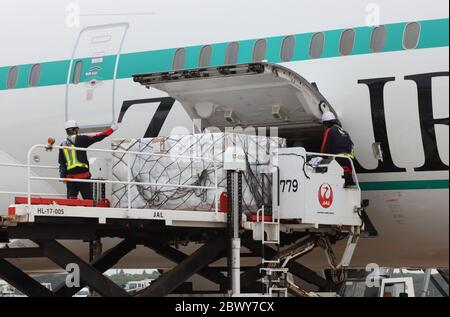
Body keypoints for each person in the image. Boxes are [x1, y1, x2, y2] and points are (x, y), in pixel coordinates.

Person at [59, 120, 118, 200]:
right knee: (88, 201)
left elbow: (62, 164)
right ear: (75, 130)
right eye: (77, 129)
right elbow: (97, 137)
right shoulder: (81, 139)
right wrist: (112, 129)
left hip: (70, 178)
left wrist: (63, 177)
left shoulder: (63, 144)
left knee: (71, 202)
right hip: (83, 176)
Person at [320, 112, 356, 186]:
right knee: (348, 182)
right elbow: (352, 146)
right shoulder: (346, 133)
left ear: (326, 123)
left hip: (337, 161)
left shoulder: (329, 131)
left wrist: (320, 159)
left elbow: (324, 150)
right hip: (349, 162)